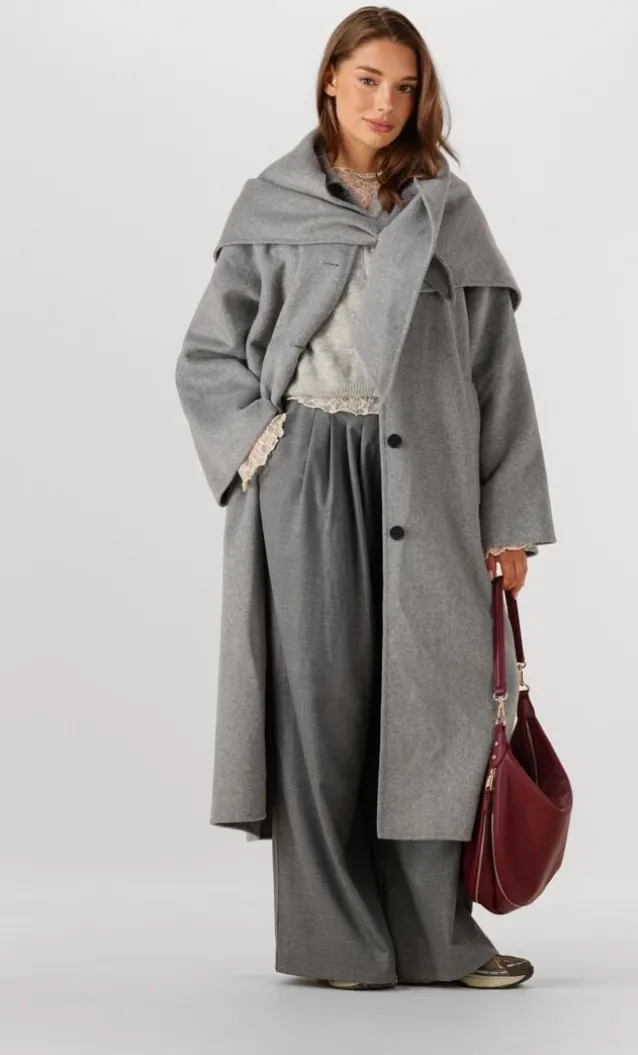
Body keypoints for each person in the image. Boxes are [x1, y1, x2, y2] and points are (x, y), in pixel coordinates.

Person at [175, 6, 557, 991]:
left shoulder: (448, 214)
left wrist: (510, 520)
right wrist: (264, 447)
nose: (386, 103)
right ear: (330, 81)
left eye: (406, 86)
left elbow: (496, 374)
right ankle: (336, 942)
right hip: (305, 473)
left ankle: (437, 939)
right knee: (321, 707)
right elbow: (208, 355)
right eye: (369, 80)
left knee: (432, 709)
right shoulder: (271, 206)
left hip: (428, 478)